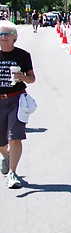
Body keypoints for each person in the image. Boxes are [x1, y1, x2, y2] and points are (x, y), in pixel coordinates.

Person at [0, 21, 36, 189]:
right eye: (0, 34)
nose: (3, 37)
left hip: (16, 99)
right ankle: (5, 156)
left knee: (15, 137)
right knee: (1, 142)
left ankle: (12, 173)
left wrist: (23, 77)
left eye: (6, 34)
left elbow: (32, 78)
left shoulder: (22, 55)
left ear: (14, 37)